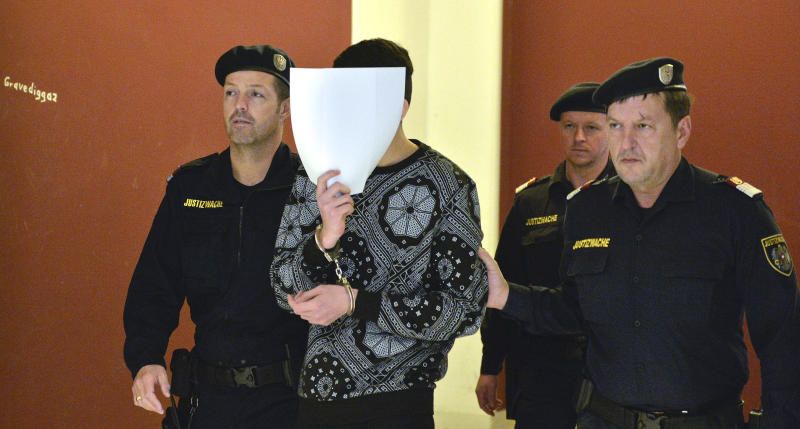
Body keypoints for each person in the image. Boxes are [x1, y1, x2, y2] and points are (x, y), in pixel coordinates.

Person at [480, 57, 800, 429]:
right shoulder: (586, 209)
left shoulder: (734, 211)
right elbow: (575, 310)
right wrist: (507, 296)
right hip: (604, 420)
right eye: (616, 126)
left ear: (682, 131)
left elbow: (782, 334)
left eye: (643, 126)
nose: (626, 142)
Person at [270, 38, 488, 429]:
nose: (346, 110)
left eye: (360, 99)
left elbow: (463, 312)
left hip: (399, 401)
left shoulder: (449, 185)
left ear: (399, 107)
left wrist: (356, 302)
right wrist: (324, 238)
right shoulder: (318, 172)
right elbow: (281, 289)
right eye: (342, 97)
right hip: (317, 397)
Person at [123, 44, 308, 428]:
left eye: (256, 94)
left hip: (292, 401)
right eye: (230, 92)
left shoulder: (310, 189)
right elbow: (154, 284)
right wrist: (146, 358)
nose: (240, 105)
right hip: (210, 400)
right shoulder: (192, 186)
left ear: (284, 109)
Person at [476, 82, 612, 429]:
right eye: (569, 127)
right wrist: (490, 366)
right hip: (540, 366)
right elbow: (503, 284)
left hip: (609, 368)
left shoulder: (629, 200)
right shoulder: (532, 201)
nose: (579, 137)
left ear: (612, 131)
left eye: (591, 127)